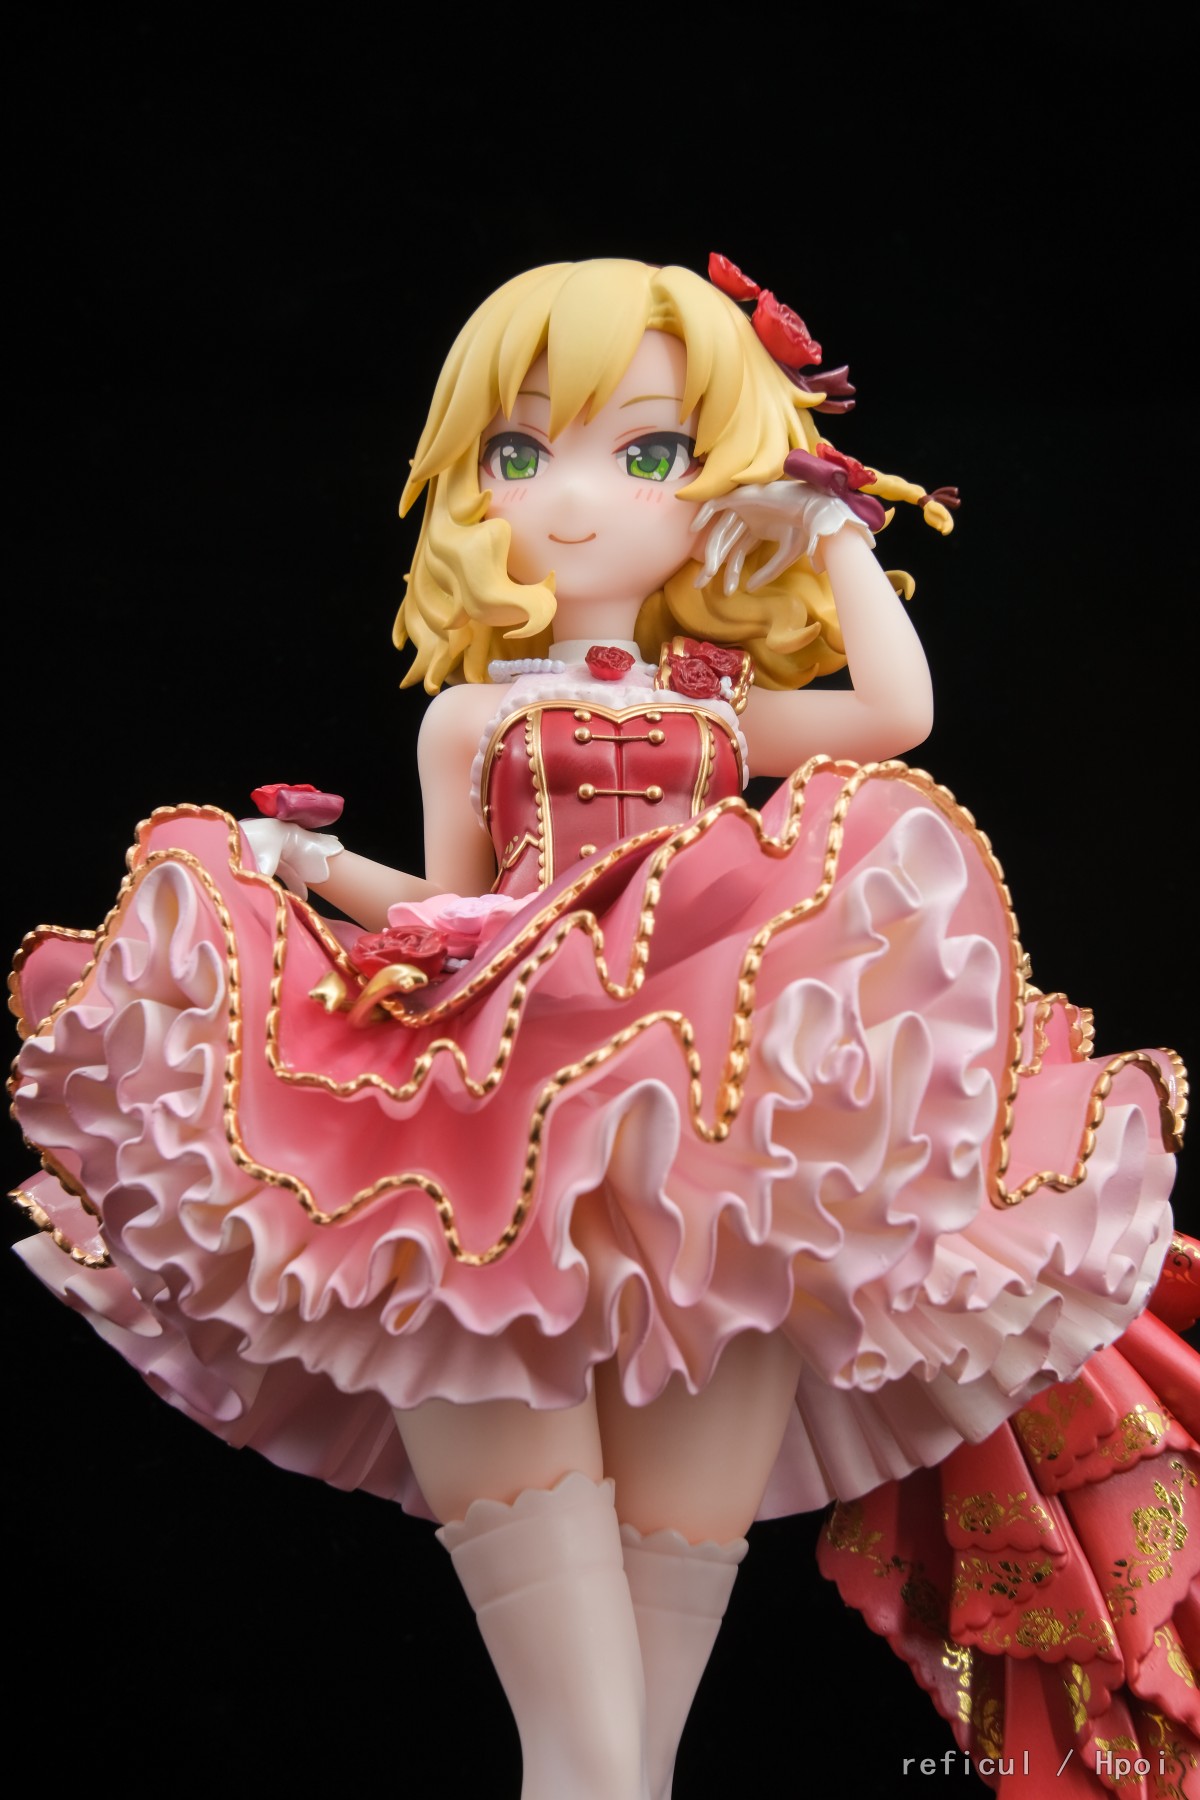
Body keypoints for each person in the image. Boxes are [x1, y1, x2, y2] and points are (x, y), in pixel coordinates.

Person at [9, 257, 1193, 1798]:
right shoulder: (472, 716)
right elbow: (455, 912)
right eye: (519, 449)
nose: (571, 497)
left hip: (711, 1148)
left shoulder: (719, 710)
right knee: (579, 1733)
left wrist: (835, 528)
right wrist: (312, 869)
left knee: (637, 1728)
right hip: (484, 1131)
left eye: (650, 452)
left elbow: (895, 717)